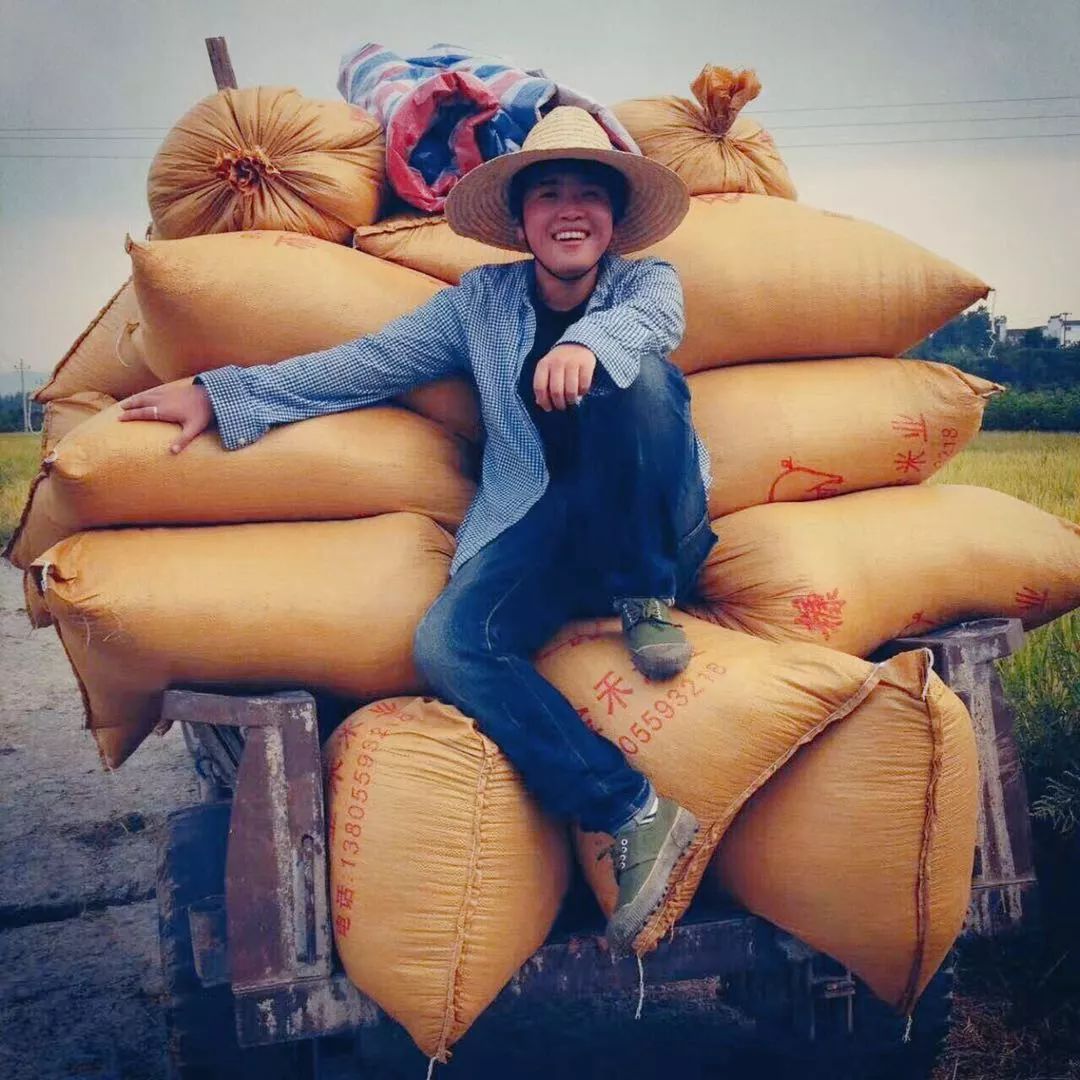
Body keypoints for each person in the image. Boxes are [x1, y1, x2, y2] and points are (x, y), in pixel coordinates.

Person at [119, 107, 717, 956]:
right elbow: (366, 364)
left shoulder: (646, 284)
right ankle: (632, 810)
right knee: (448, 645)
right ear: (521, 221)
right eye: (548, 194)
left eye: (590, 193)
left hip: (652, 526)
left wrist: (587, 344)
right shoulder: (480, 304)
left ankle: (644, 595)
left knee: (645, 381)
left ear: (615, 219)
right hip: (545, 525)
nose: (569, 211)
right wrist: (221, 394)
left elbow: (650, 326)